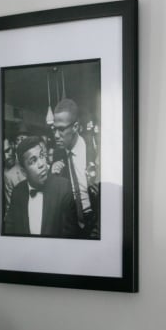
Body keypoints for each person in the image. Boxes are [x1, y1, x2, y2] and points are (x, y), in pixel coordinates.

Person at [4, 136, 78, 237]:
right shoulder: (18, 192)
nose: (42, 164)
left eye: (42, 156)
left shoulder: (63, 188)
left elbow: (70, 236)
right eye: (33, 161)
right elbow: (9, 231)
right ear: (23, 172)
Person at [49, 98, 100, 238]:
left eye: (61, 129)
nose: (56, 135)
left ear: (75, 127)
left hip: (95, 221)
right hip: (70, 225)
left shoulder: (94, 152)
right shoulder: (58, 154)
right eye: (54, 129)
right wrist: (51, 176)